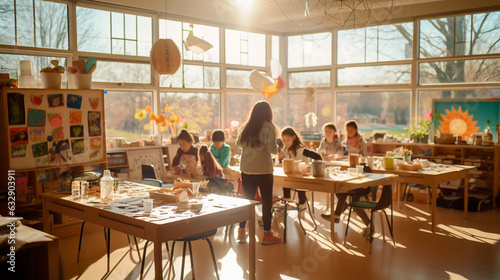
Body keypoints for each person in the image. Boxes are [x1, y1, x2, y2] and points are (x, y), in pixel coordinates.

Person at [236, 100, 281, 245]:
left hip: (246, 169)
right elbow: (273, 150)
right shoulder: (269, 127)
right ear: (268, 113)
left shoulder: (247, 125)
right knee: (266, 201)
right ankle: (267, 235)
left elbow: (238, 144)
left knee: (246, 201)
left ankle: (241, 233)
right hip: (263, 170)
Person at [331, 120, 371, 237]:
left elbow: (364, 156)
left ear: (356, 130)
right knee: (343, 192)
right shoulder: (347, 142)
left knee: (346, 193)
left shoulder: (360, 141)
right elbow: (347, 155)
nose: (349, 132)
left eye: (351, 130)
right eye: (347, 130)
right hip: (352, 171)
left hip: (360, 173)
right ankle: (340, 210)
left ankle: (338, 213)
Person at [278, 126, 322, 214]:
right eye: (284, 140)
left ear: (294, 137)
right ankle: (287, 201)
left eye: (288, 139)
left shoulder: (302, 150)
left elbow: (318, 157)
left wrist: (311, 167)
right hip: (291, 176)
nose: (286, 142)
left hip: (302, 177)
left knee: (300, 184)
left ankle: (302, 203)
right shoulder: (285, 149)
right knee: (284, 180)